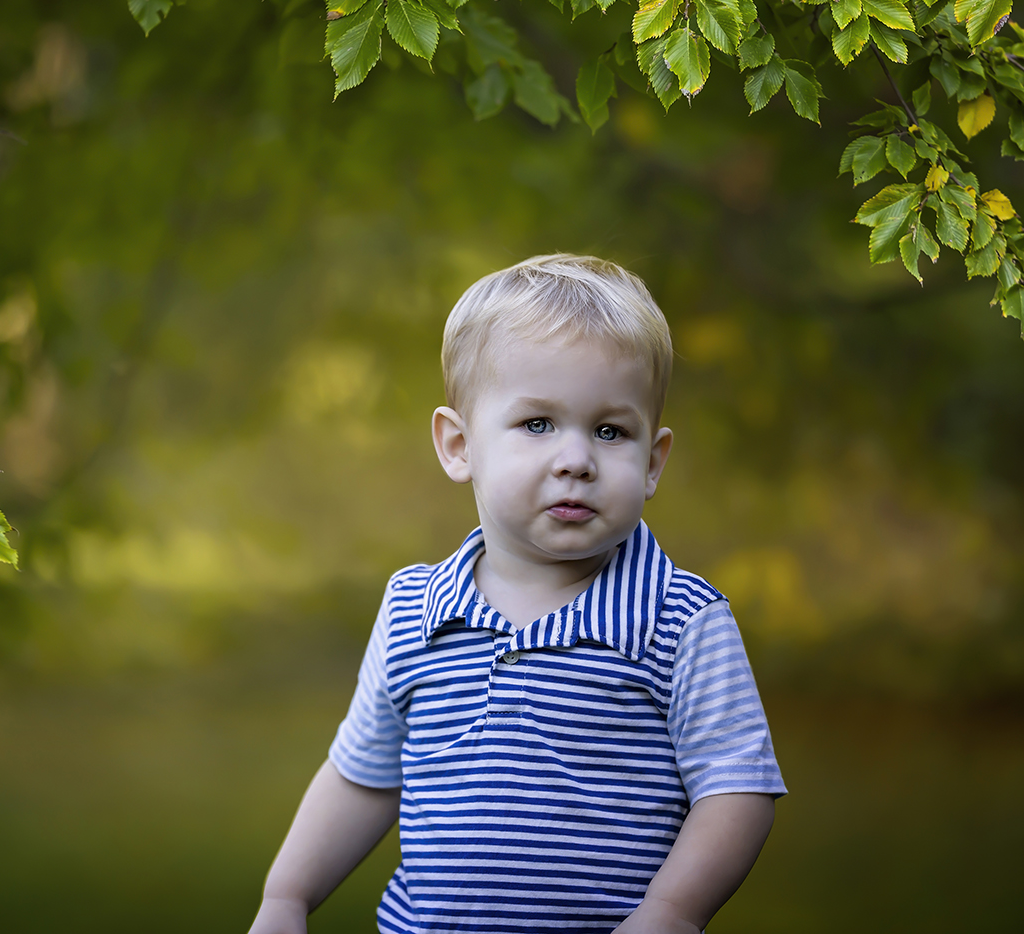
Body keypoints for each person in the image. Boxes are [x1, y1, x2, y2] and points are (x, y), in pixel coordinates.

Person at [247, 255, 786, 934]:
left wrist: (671, 913)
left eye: (610, 431)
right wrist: (285, 899)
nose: (575, 459)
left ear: (653, 462)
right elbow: (362, 776)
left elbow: (736, 790)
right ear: (458, 445)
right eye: (537, 424)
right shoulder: (415, 608)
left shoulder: (679, 619)